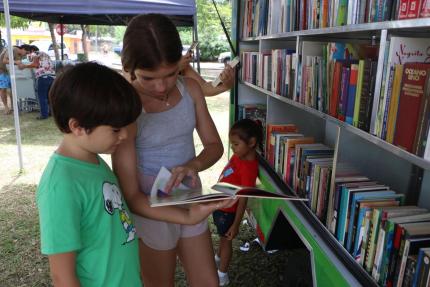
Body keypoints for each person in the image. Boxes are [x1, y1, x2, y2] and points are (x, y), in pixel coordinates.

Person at [112, 13, 227, 287]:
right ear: (128, 68)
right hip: (150, 204)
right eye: (148, 78)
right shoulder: (125, 108)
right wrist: (181, 212)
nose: (162, 86)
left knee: (207, 281)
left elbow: (214, 146)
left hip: (188, 193)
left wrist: (194, 166)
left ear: (182, 63)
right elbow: (130, 194)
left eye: (171, 73)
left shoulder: (191, 90)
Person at [36, 62, 143, 286]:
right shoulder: (61, 185)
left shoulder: (93, 160)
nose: (124, 135)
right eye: (115, 129)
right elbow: (62, 276)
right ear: (77, 126)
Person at [212, 118, 262, 286]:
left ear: (252, 142)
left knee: (226, 241)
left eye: (235, 144)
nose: (232, 148)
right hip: (221, 205)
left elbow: (243, 198)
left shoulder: (249, 168)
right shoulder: (238, 156)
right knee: (222, 236)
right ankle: (217, 259)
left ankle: (222, 275)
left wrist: (236, 224)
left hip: (228, 211)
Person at [21, 45, 56, 119]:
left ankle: (44, 115)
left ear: (32, 50)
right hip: (52, 77)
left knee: (42, 97)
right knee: (50, 96)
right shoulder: (45, 54)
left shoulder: (35, 53)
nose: (29, 55)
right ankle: (51, 112)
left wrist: (25, 66)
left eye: (28, 53)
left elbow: (35, 64)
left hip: (43, 77)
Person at [0, 44, 32, 114]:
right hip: (2, 71)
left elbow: (18, 64)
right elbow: (4, 61)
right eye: (26, 53)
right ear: (23, 49)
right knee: (3, 89)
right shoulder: (12, 50)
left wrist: (21, 65)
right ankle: (6, 108)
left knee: (13, 89)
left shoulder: (21, 55)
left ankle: (13, 107)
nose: (26, 55)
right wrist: (16, 62)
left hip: (10, 72)